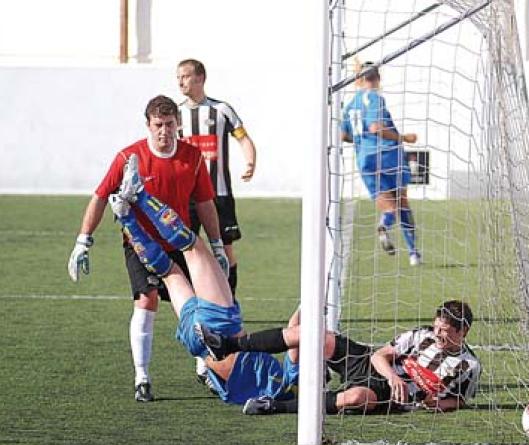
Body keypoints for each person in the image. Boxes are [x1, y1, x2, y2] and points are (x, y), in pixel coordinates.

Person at [67, 95, 229, 403]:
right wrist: (83, 240)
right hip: (140, 243)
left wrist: (217, 245)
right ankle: (141, 377)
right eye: (158, 125)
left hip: (180, 242)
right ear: (148, 125)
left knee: (196, 305)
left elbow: (205, 203)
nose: (164, 131)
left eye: (169, 124)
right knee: (147, 300)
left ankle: (203, 367)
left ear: (178, 124)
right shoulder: (129, 157)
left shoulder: (193, 157)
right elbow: (101, 196)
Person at [107, 160, 298, 406]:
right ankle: (125, 216)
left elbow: (297, 335)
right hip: (199, 345)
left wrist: (329, 337)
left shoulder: (294, 381)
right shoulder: (269, 395)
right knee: (169, 272)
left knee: (192, 246)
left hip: (221, 328)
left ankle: (140, 194)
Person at [200, 299, 482, 415]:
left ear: (463, 331)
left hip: (389, 394)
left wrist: (433, 403)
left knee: (354, 397)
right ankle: (228, 345)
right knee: (312, 334)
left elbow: (459, 400)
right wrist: (393, 375)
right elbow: (380, 355)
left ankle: (274, 406)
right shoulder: (422, 335)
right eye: (437, 327)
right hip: (372, 364)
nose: (438, 334)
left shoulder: (468, 366)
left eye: (445, 331)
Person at [177, 58, 258, 385]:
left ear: (200, 78)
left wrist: (250, 160)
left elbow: (243, 137)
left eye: (186, 76)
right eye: (178, 77)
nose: (181, 82)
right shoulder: (177, 115)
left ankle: (227, 304)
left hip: (219, 195)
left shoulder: (221, 110)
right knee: (189, 254)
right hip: (187, 197)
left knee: (226, 251)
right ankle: (201, 312)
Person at [341, 61, 422, 266]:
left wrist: (361, 141)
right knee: (402, 202)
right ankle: (413, 254)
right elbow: (376, 127)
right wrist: (403, 137)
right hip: (387, 154)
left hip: (365, 160)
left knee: (389, 209)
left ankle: (384, 225)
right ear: (378, 78)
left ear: (359, 80)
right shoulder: (375, 98)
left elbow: (343, 135)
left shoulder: (350, 106)